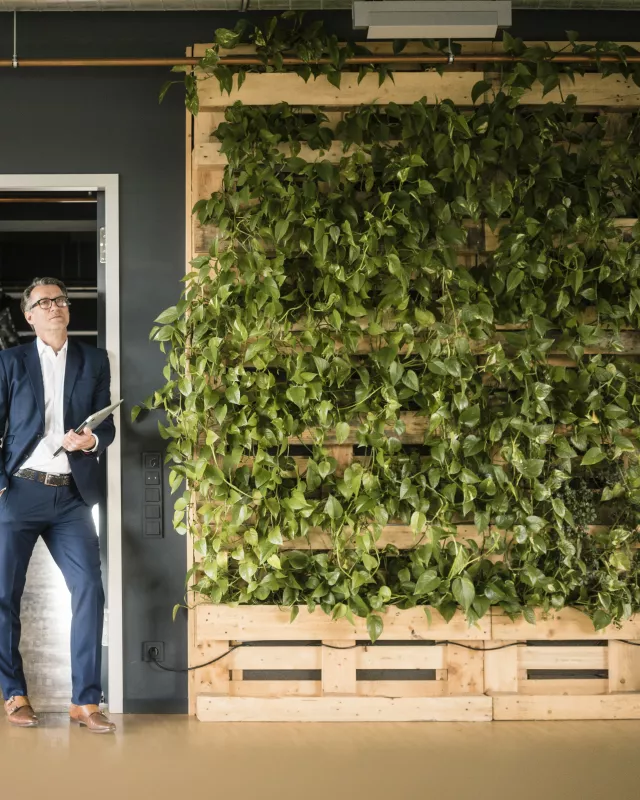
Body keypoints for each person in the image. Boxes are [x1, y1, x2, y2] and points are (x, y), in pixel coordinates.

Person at [0, 277, 116, 733]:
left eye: (60, 300)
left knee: (90, 590)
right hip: (20, 491)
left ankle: (85, 701)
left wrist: (92, 439)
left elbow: (106, 424)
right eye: (43, 303)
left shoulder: (94, 360)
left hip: (71, 497)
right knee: (3, 597)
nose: (54, 307)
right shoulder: (10, 361)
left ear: (69, 310)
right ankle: (14, 693)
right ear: (29, 315)